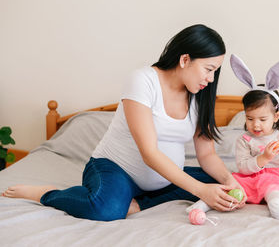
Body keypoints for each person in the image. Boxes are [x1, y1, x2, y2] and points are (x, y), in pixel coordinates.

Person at [2, 24, 245, 221]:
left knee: (221, 183)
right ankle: (46, 194)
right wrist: (200, 191)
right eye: (208, 69)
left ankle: (139, 203)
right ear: (184, 60)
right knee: (105, 210)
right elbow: (149, 153)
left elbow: (207, 154)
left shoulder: (200, 95)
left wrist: (229, 181)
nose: (211, 79)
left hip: (166, 179)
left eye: (216, 71)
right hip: (116, 169)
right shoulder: (143, 81)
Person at [187, 54, 279, 221]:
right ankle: (202, 205)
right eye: (250, 118)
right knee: (230, 189)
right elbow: (244, 167)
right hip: (252, 179)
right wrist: (263, 158)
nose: (256, 125)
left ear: (276, 116)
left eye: (262, 119)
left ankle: (278, 206)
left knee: (272, 189)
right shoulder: (245, 140)